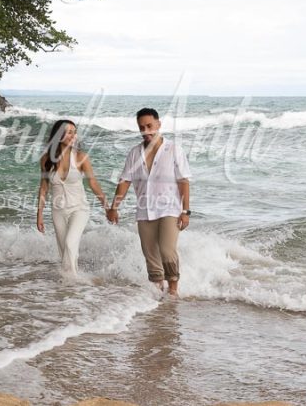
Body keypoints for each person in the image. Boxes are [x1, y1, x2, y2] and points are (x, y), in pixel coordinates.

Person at [106, 108, 191, 296]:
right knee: (150, 255)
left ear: (158, 124)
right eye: (142, 127)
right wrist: (114, 208)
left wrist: (186, 211)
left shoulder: (174, 149)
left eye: (149, 126)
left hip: (170, 209)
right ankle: (158, 294)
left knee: (167, 250)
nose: (146, 131)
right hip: (145, 210)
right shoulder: (134, 153)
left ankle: (173, 291)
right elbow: (124, 181)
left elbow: (183, 181)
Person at [37, 119, 108, 276]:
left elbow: (93, 183)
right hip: (58, 211)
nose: (73, 136)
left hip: (79, 208)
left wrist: (107, 206)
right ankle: (72, 285)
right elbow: (43, 188)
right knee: (65, 251)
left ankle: (73, 280)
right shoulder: (46, 159)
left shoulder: (81, 157)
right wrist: (39, 215)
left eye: (75, 132)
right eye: (69, 132)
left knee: (70, 243)